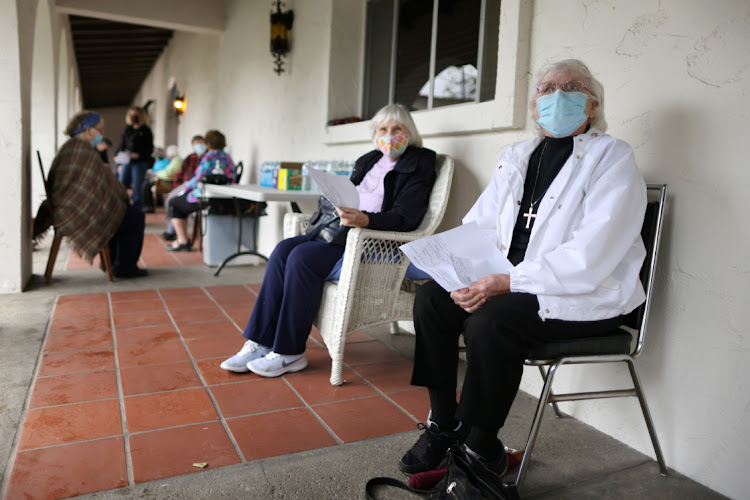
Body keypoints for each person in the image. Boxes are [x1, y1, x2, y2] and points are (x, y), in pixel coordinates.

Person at [397, 59, 648, 479]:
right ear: (534, 107)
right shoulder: (516, 155)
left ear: (592, 104)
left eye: (571, 87)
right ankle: (445, 423)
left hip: (580, 293)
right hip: (509, 285)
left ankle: (479, 448)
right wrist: (461, 275)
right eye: (546, 88)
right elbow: (479, 225)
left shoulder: (612, 157)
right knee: (432, 301)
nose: (556, 95)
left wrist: (507, 281)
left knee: (490, 323)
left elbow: (593, 253)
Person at [220, 104, 437, 377]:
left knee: (302, 258)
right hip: (341, 233)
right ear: (375, 133)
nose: (389, 135)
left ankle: (290, 352)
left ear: (410, 133)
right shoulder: (369, 159)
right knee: (283, 249)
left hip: (372, 241)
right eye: (383, 129)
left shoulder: (420, 163)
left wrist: (365, 220)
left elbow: (408, 217)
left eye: (397, 129)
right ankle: (261, 341)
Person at [32, 111, 147, 278]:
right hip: (74, 208)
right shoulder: (81, 150)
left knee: (119, 210)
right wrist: (118, 192)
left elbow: (95, 180)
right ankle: (124, 267)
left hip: (66, 204)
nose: (101, 134)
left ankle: (114, 261)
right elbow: (96, 181)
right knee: (132, 215)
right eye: (99, 129)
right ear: (88, 130)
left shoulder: (71, 147)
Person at [166, 130, 235, 251]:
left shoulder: (209, 157)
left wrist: (185, 187)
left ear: (208, 144)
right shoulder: (227, 157)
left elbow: (198, 178)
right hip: (225, 196)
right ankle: (181, 239)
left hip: (206, 198)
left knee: (174, 203)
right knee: (179, 200)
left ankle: (182, 241)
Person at [162, 135, 206, 241]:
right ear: (193, 146)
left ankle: (179, 237)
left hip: (195, 188)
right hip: (185, 185)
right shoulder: (190, 158)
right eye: (196, 143)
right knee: (169, 199)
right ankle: (172, 230)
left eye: (201, 143)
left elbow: (199, 178)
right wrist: (177, 188)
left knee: (174, 202)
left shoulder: (207, 158)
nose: (199, 145)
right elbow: (180, 174)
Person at [116, 106, 154, 210]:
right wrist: (119, 161)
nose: (133, 117)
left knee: (137, 187)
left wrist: (139, 155)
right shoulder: (128, 129)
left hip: (140, 163)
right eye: (131, 114)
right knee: (121, 184)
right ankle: (121, 207)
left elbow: (149, 149)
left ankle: (137, 210)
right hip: (126, 161)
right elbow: (122, 145)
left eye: (136, 115)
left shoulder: (146, 131)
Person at [142, 145, 183, 212]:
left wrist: (157, 174)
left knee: (146, 185)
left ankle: (149, 206)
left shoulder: (177, 160)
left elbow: (169, 173)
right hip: (164, 179)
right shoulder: (173, 161)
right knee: (147, 183)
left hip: (168, 182)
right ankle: (148, 205)